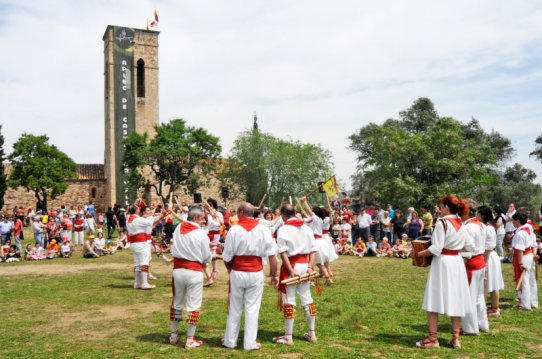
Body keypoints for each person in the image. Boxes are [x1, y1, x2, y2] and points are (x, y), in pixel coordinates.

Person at [413, 195, 473, 349]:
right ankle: (456, 338)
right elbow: (469, 246)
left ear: (447, 207)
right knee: (456, 299)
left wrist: (417, 254)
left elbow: (436, 248)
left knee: (434, 298)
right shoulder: (461, 223)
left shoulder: (442, 223)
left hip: (443, 262)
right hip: (457, 262)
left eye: (441, 206)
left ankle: (433, 339)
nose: (439, 209)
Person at [221, 202, 278, 351]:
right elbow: (272, 255)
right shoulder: (263, 230)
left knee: (235, 307)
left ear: (240, 212)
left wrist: (230, 269)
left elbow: (226, 256)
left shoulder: (234, 230)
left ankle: (230, 341)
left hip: (238, 270)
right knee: (252, 308)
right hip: (255, 272)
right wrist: (273, 274)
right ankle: (249, 343)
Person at [273, 204, 317, 346]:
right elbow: (313, 250)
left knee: (289, 300)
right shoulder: (306, 228)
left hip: (292, 265)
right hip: (305, 265)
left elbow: (283, 252)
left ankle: (288, 336)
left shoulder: (284, 229)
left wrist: (291, 271)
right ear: (295, 212)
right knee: (307, 298)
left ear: (283, 215)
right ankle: (312, 333)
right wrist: (310, 267)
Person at [169, 206, 212, 349]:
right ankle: (190, 339)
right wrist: (208, 257)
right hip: (194, 271)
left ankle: (174, 335)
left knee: (177, 302)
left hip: (178, 270)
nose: (202, 222)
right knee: (194, 305)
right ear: (195, 218)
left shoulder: (178, 228)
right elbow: (206, 257)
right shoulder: (201, 234)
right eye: (201, 219)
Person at [460, 200, 488, 336]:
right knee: (479, 296)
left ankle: (470, 328)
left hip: (472, 264)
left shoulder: (468, 227)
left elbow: (467, 250)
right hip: (480, 262)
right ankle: (482, 323)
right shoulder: (481, 225)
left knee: (469, 297)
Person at [126, 205, 164, 290]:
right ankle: (144, 283)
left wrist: (160, 215)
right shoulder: (138, 219)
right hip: (141, 243)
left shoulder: (128, 219)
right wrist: (162, 215)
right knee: (144, 263)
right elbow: (153, 221)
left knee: (137, 264)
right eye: (138, 208)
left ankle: (137, 283)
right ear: (136, 210)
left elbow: (149, 219)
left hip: (134, 244)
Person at [478, 206, 504, 317]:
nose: (476, 216)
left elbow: (488, 247)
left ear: (482, 215)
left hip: (488, 256)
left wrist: (484, 263)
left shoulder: (487, 228)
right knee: (492, 283)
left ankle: (495, 308)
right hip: (490, 255)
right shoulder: (488, 226)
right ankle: (494, 307)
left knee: (491, 283)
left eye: (477, 213)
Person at [511, 212, 536, 310]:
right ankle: (532, 302)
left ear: (517, 221)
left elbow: (520, 249)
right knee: (530, 279)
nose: (512, 222)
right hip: (528, 255)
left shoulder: (520, 233)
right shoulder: (528, 230)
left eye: (513, 220)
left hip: (524, 256)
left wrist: (520, 263)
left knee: (525, 280)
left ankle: (525, 304)